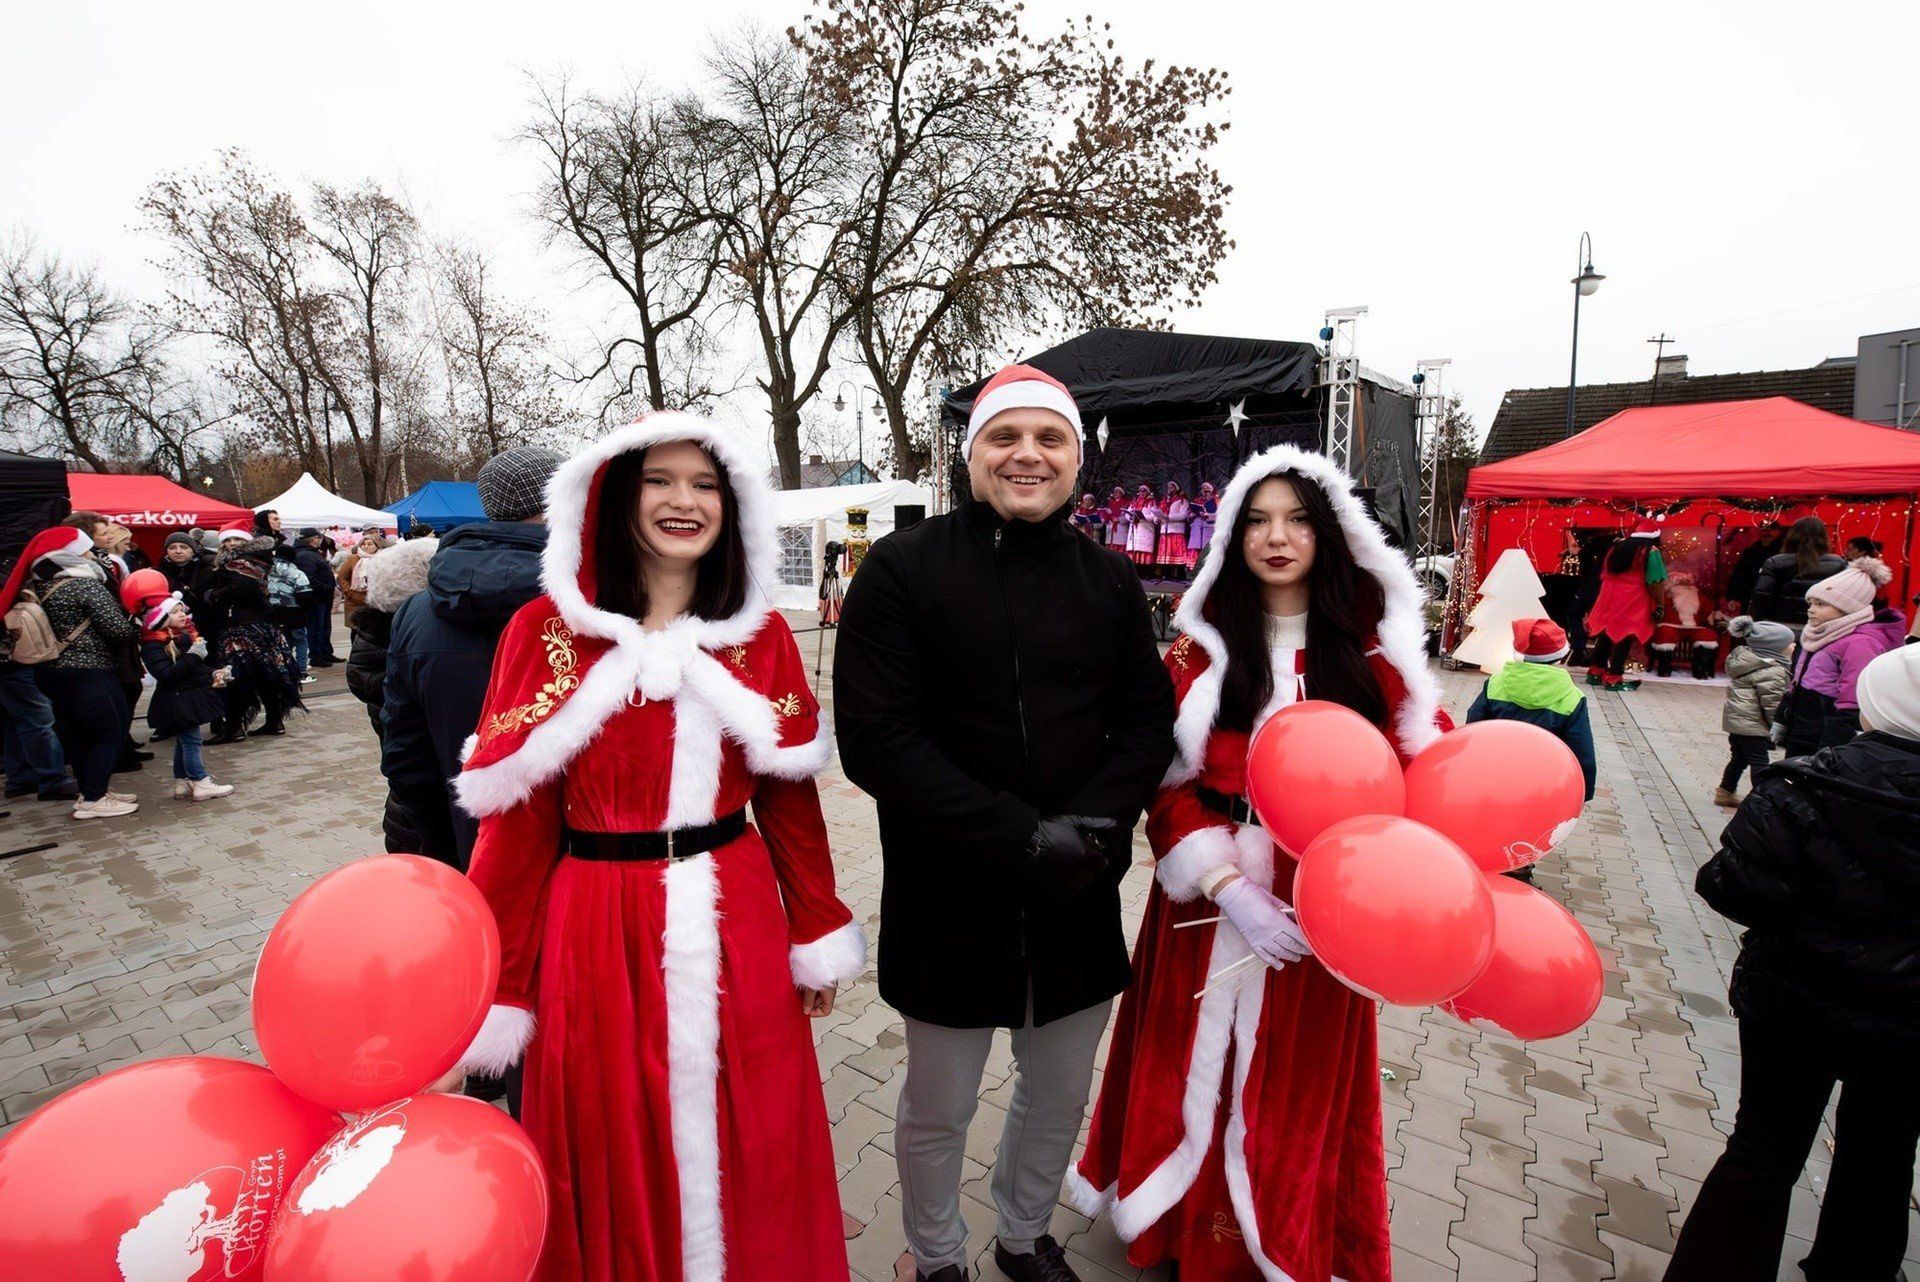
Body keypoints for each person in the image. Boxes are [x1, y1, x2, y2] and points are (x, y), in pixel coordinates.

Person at [447, 412, 863, 1282]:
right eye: (660, 481)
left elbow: (790, 805)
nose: (685, 501)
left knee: (755, 1125)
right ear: (613, 497)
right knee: (609, 1136)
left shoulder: (761, 635)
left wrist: (814, 928)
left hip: (739, 923)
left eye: (706, 484)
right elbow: (513, 834)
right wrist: (491, 992)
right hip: (596, 928)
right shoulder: (543, 633)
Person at [1067, 444, 1448, 1282]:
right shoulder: (1198, 655)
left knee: (1294, 1080)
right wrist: (1225, 881)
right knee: (1187, 1062)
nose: (1277, 538)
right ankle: (1172, 1230)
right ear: (1233, 538)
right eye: (1258, 522)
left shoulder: (1376, 658)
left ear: (1330, 534)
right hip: (1205, 908)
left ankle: (1279, 1236)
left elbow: (1423, 783)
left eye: (1298, 520)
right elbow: (1162, 778)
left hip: (1325, 915)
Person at [835, 364, 1175, 1282]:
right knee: (939, 1108)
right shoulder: (901, 570)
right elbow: (876, 740)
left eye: (1050, 438)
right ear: (971, 452)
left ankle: (1024, 1236)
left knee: (1057, 1093)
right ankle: (937, 1255)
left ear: (1076, 460)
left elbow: (1148, 722)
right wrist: (1017, 835)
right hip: (948, 894)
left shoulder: (1109, 579)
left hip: (1077, 887)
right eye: (1005, 437)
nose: (1028, 455)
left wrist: (1096, 827)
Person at [1665, 643, 1920, 1282]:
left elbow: (1730, 887)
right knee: (1883, 1155)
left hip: (1794, 999)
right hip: (1908, 1023)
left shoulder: (1808, 780)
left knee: (1763, 1146)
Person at [384, 447, 561, 870]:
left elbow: (406, 756)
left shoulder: (416, 612)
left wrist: (445, 846)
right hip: (590, 859)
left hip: (470, 844)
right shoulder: (600, 599)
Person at [19, 526, 140, 819]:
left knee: (79, 735)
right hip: (89, 670)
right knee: (111, 732)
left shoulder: (37, 585)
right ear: (74, 554)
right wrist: (135, 623)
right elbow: (118, 630)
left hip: (50, 671)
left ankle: (90, 792)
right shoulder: (84, 584)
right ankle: (94, 798)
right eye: (87, 549)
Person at [1775, 558, 1903, 754]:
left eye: (1821, 604)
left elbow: (1853, 698)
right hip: (1802, 728)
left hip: (1824, 736)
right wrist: (1783, 717)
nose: (1811, 609)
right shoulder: (1818, 633)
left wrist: (1831, 748)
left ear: (1848, 607)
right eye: (1811, 603)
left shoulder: (1860, 643)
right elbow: (1799, 679)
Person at [1466, 617, 1597, 800]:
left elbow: (1472, 729)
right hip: (1543, 785)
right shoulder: (1573, 698)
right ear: (1560, 655)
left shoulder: (1495, 684)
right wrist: (1585, 792)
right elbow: (1582, 752)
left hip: (1495, 776)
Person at [130, 590, 234, 803]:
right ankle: (200, 781)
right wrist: (193, 655)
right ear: (161, 618)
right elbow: (167, 675)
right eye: (175, 612)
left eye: (182, 610)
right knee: (192, 741)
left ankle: (182, 782)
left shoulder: (181, 638)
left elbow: (194, 669)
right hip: (177, 700)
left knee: (183, 741)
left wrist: (214, 673)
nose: (182, 615)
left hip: (186, 697)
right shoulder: (152, 644)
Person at [0, 530, 78, 802]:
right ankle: (52, 779)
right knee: (39, 718)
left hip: (11, 658)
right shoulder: (8, 572)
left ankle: (20, 778)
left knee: (18, 718)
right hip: (13, 658)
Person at [201, 537, 302, 742]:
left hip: (243, 628)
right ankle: (273, 722)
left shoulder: (242, 563)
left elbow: (242, 588)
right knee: (264, 675)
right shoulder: (256, 560)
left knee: (236, 677)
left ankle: (234, 727)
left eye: (237, 539)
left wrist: (214, 594)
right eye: (228, 539)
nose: (233, 543)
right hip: (259, 626)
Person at [1715, 617, 1792, 808]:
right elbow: (1772, 703)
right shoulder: (1773, 671)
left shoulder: (1748, 661)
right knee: (1760, 763)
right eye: (1789, 644)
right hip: (1752, 725)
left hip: (1738, 722)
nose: (1793, 646)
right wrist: (1777, 727)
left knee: (1739, 759)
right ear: (1775, 648)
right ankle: (1761, 801)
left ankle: (1725, 791)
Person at [1584, 516, 1667, 690]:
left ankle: (1596, 672)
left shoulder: (1616, 547)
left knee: (1606, 633)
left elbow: (1605, 571)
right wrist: (1660, 605)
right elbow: (1655, 581)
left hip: (1608, 596)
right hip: (1632, 598)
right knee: (1624, 635)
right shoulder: (1650, 551)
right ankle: (1614, 678)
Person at [1750, 515, 1846, 631]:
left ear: (1792, 536)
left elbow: (1761, 597)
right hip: (1820, 627)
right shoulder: (1837, 563)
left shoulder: (1775, 562)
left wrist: (1755, 621)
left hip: (1780, 626)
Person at [291, 529, 339, 667]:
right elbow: (310, 578)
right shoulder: (305, 555)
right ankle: (317, 655)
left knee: (323, 627)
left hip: (322, 597)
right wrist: (326, 587)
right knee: (317, 627)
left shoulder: (310, 553)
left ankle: (325, 652)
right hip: (317, 598)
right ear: (313, 539)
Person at [335, 529, 384, 615]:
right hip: (355, 602)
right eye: (363, 544)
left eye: (369, 544)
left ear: (376, 546)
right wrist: (350, 593)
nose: (366, 547)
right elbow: (342, 577)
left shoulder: (381, 559)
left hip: (375, 601)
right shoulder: (353, 558)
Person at [1158, 481, 1191, 574]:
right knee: (1166, 553)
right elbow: (1160, 512)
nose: (1170, 489)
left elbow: (1183, 515)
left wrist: (1169, 517)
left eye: (1172, 487)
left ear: (1177, 488)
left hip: (1176, 529)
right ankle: (1167, 574)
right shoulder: (1165, 501)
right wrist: (1157, 518)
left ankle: (1180, 574)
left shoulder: (1182, 500)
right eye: (1168, 487)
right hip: (1165, 529)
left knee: (1177, 553)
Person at [1125, 482, 1160, 569]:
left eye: (1144, 491)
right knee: (1133, 550)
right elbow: (1127, 513)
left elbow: (1155, 515)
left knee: (1143, 551)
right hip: (1135, 528)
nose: (1142, 493)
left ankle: (1144, 570)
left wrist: (1144, 517)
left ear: (1148, 492)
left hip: (1145, 528)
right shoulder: (1134, 502)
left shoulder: (1151, 502)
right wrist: (1130, 517)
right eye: (1140, 491)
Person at [1186, 480, 1218, 570]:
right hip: (1197, 528)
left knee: (1207, 549)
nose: (1204, 490)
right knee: (1195, 548)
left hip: (1209, 528)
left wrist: (1209, 516)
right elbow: (1188, 514)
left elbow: (1221, 515)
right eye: (1203, 489)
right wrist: (1192, 514)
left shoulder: (1217, 501)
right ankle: (1194, 570)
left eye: (1207, 488)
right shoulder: (1198, 500)